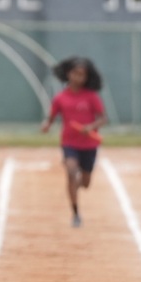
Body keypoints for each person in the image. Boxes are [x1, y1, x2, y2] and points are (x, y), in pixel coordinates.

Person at [40, 56, 107, 228]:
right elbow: (51, 116)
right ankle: (76, 214)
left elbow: (103, 118)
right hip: (69, 143)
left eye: (82, 74)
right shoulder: (60, 98)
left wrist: (90, 127)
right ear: (68, 74)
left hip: (89, 145)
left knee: (85, 183)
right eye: (75, 73)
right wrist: (47, 124)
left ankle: (74, 186)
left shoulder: (91, 97)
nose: (78, 77)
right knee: (71, 171)